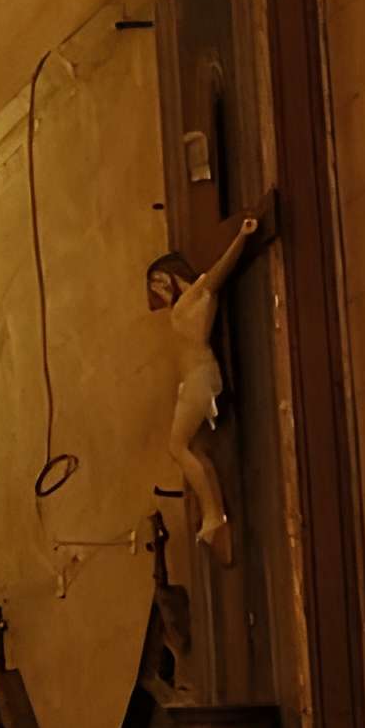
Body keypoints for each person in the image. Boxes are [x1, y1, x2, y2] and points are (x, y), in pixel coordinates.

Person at [147, 213, 263, 562]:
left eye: (158, 283)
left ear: (170, 277)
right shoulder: (182, 306)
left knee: (177, 446)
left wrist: (242, 236)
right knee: (194, 448)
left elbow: (217, 274)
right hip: (194, 380)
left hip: (201, 377)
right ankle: (214, 512)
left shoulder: (195, 295)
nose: (157, 291)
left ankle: (213, 516)